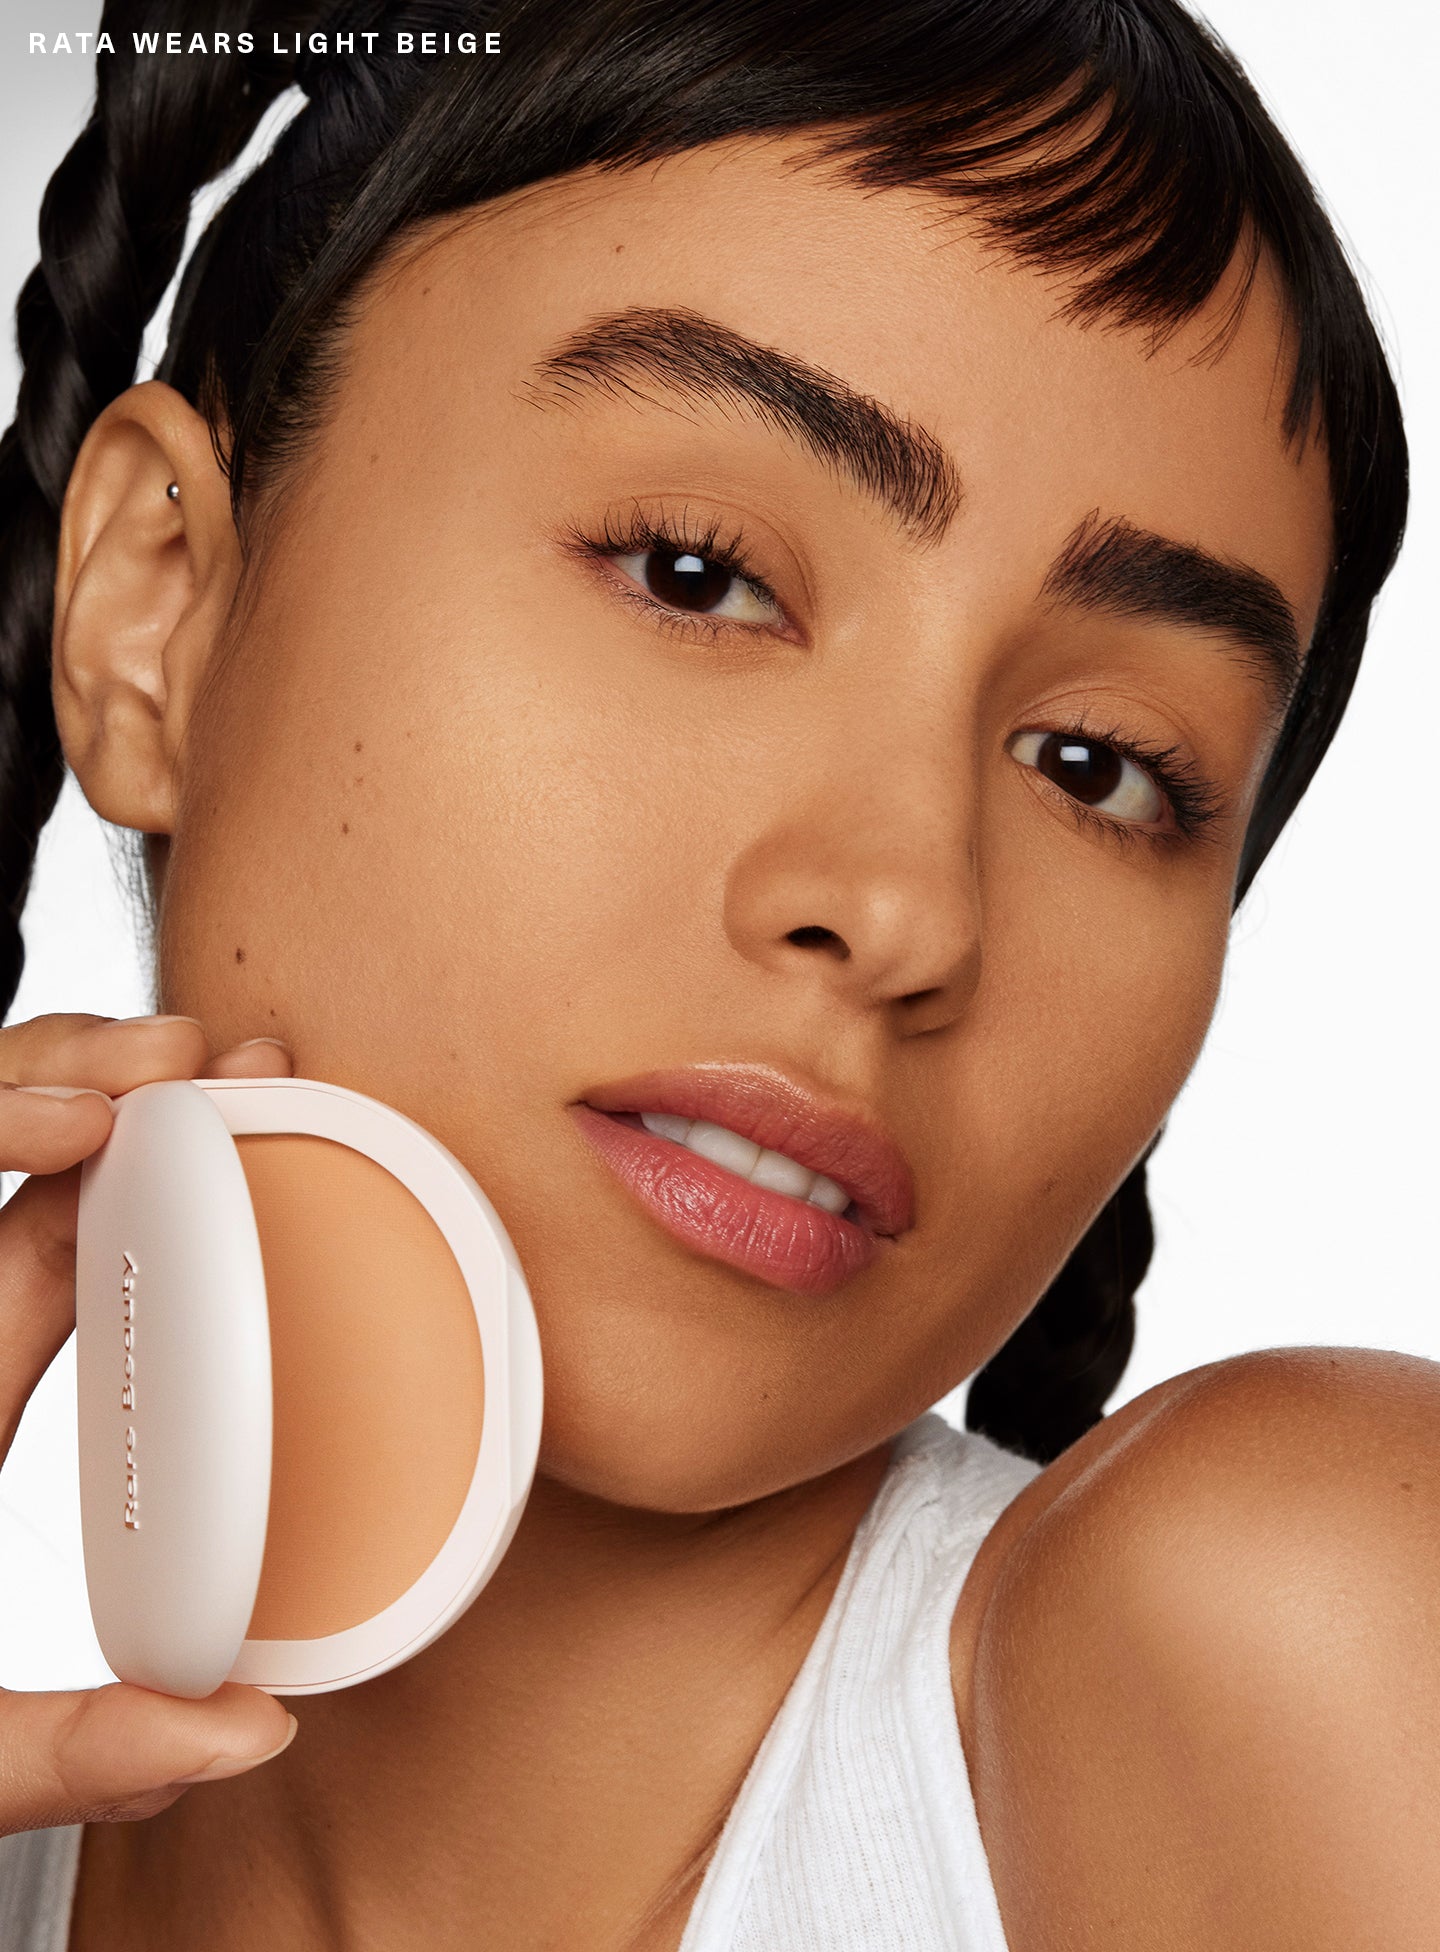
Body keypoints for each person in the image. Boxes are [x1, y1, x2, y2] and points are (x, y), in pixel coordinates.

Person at [0, 0, 1425, 1945]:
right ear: (154, 613)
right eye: (699, 573)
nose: (910, 904)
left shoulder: (1315, 1645)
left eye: (1101, 766)